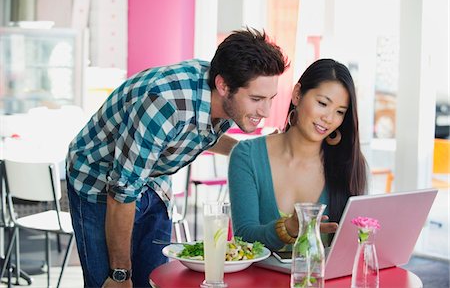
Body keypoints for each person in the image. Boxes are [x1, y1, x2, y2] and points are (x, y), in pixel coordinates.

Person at [66, 28, 288, 287]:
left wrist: (252, 154)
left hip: (154, 182)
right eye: (256, 99)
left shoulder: (226, 98)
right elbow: (122, 191)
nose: (265, 110)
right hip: (98, 182)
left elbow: (197, 133)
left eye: (270, 98)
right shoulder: (165, 103)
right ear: (223, 86)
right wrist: (119, 274)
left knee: (154, 281)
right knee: (110, 283)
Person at [228, 58, 367, 251]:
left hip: (320, 280)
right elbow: (244, 238)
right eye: (322, 103)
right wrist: (287, 229)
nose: (328, 118)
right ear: (297, 95)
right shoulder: (246, 156)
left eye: (340, 112)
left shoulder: (350, 163)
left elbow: (352, 245)